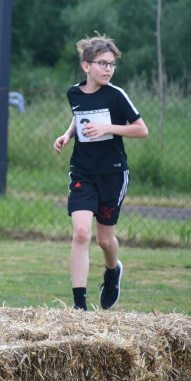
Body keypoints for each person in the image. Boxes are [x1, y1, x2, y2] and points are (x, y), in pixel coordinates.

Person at [53, 35, 148, 311]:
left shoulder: (116, 95)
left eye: (112, 64)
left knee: (104, 240)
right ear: (86, 66)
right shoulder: (73, 93)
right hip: (83, 171)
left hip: (113, 174)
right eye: (103, 63)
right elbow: (80, 114)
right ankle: (79, 307)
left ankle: (112, 271)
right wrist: (68, 134)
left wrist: (108, 128)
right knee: (81, 233)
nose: (108, 69)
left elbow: (142, 130)